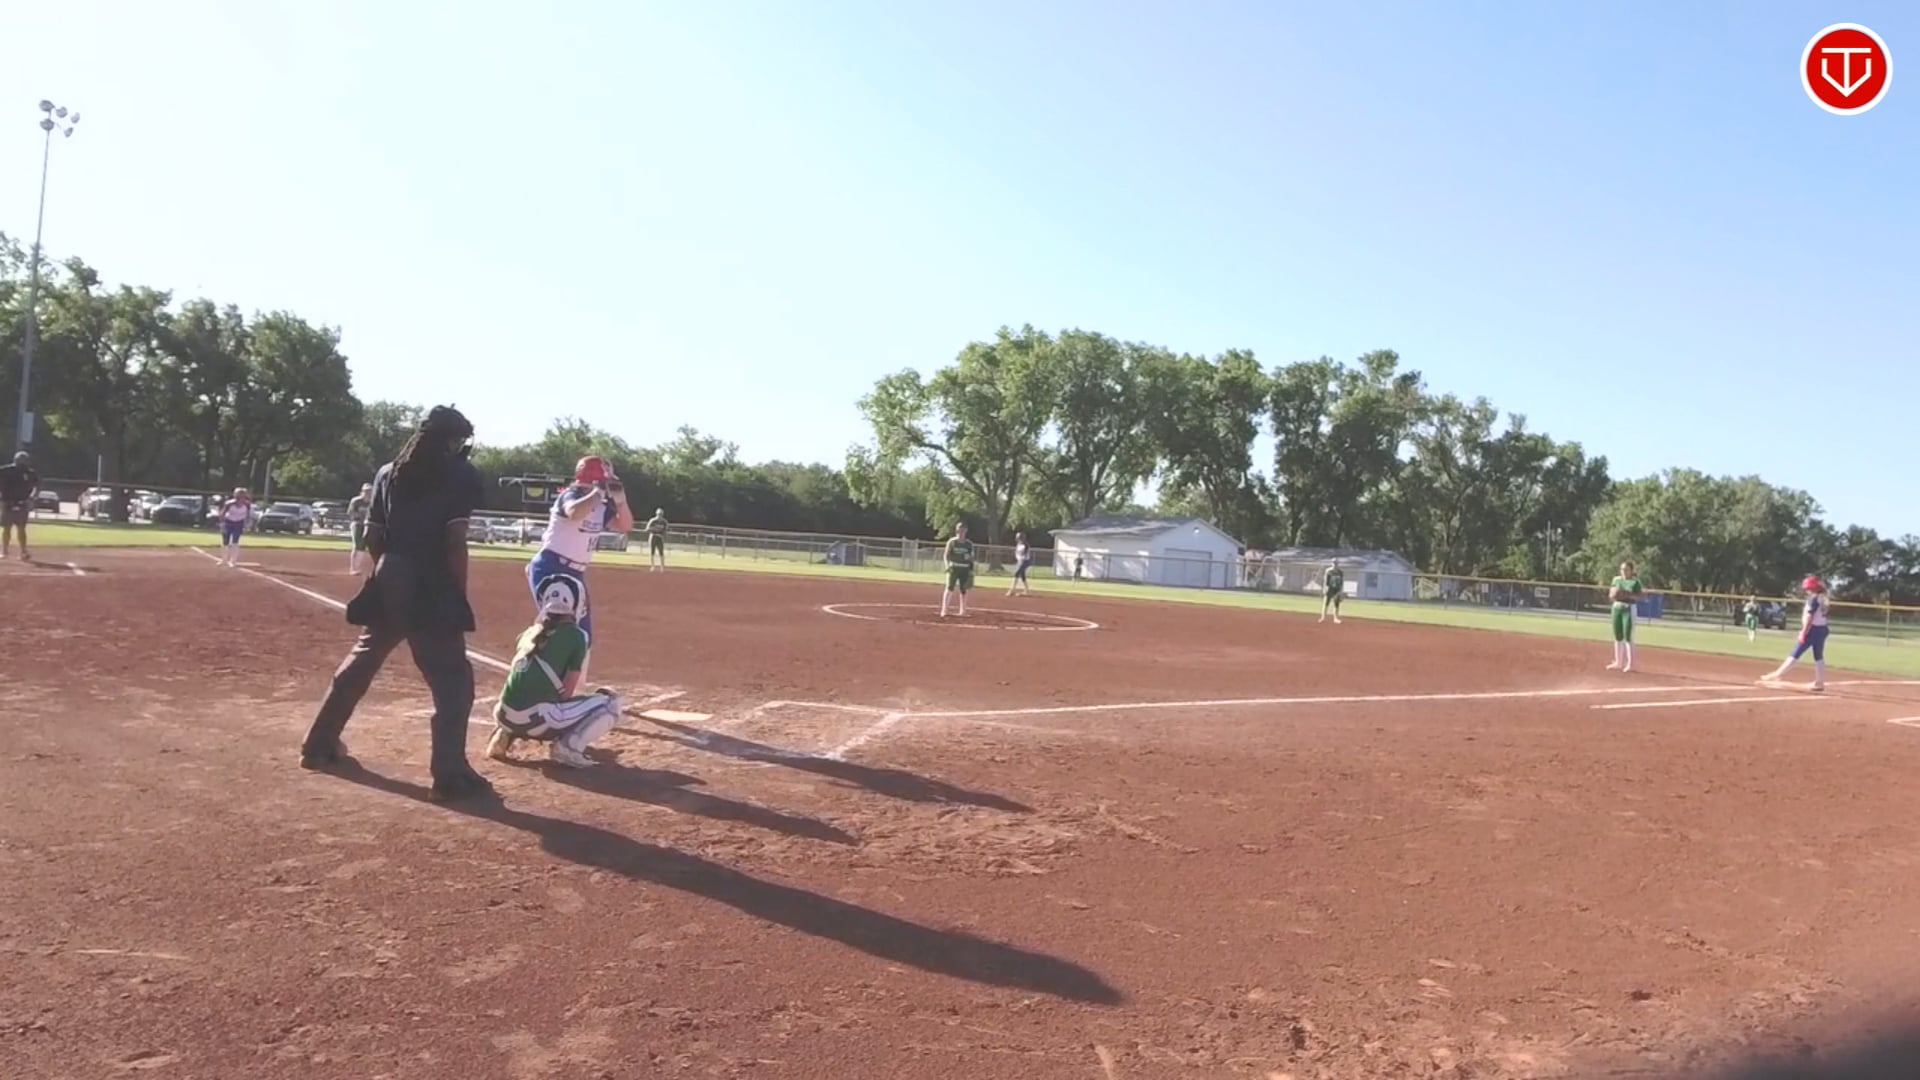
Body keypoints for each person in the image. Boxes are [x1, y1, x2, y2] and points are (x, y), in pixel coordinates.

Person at [298, 405, 493, 801]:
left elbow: (373, 535)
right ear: (454, 441)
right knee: (453, 680)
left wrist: (389, 572)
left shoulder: (389, 472)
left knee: (362, 660)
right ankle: (450, 774)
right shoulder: (460, 474)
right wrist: (455, 592)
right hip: (434, 578)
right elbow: (455, 541)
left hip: (392, 571)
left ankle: (318, 744)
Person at [486, 575, 623, 768]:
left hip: (503, 715)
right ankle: (568, 748)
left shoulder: (529, 632)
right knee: (611, 703)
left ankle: (504, 735)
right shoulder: (577, 636)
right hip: (540, 721)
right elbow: (566, 693)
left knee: (522, 693)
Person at [526, 455, 635, 683]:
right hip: (552, 567)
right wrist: (598, 492)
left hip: (575, 573)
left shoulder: (601, 505)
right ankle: (535, 679)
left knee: (582, 635)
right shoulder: (571, 494)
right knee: (559, 630)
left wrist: (621, 502)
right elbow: (574, 512)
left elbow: (625, 525)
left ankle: (570, 688)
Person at [1761, 575, 1830, 692]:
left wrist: (1804, 632)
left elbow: (1810, 617)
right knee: (1818, 656)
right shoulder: (1823, 598)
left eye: (1808, 588)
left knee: (1795, 653)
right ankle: (1819, 682)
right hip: (1822, 628)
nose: (1807, 590)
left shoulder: (1814, 599)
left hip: (1813, 629)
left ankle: (1777, 674)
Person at [1606, 560, 1647, 673]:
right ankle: (1618, 662)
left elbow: (1641, 597)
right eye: (1622, 569)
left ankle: (1630, 664)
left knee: (1628, 636)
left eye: (1626, 569)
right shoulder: (1616, 579)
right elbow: (1611, 594)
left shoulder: (1635, 582)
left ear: (1631, 571)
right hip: (1617, 607)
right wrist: (1615, 594)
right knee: (1617, 635)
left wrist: (1628, 595)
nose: (1623, 571)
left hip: (1628, 608)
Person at [1, 450, 39, 560]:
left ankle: (23, 551)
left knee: (21, 528)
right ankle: (4, 551)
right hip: (7, 502)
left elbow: (37, 486)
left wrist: (32, 498)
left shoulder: (30, 473)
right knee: (7, 527)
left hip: (23, 503)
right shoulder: (5, 470)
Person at [940, 522, 974, 618]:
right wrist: (947, 566)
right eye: (959, 530)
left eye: (963, 530)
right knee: (949, 588)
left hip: (965, 568)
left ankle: (963, 611)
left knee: (964, 590)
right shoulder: (952, 542)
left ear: (966, 531)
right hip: (954, 567)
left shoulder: (969, 544)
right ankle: (944, 610)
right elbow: (946, 555)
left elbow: (972, 558)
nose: (961, 532)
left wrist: (971, 569)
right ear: (957, 530)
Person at [218, 487, 253, 567]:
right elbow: (222, 514)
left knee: (235, 541)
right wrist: (222, 524)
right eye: (239, 496)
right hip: (228, 522)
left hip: (239, 523)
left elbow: (248, 515)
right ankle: (224, 560)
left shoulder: (247, 505)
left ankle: (233, 561)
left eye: (242, 496)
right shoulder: (229, 504)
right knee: (225, 541)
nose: (241, 498)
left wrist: (247, 525)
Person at [347, 481, 374, 576]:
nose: (368, 493)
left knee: (363, 546)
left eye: (370, 491)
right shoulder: (356, 501)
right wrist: (362, 517)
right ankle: (353, 568)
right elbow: (351, 513)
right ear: (362, 491)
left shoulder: (372, 502)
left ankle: (357, 567)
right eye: (366, 491)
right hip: (357, 524)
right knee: (357, 544)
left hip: (367, 525)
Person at [1319, 560, 1346, 625]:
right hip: (1329, 588)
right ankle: (1323, 617)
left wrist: (1341, 591)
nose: (1335, 564)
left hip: (1337, 589)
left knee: (1336, 604)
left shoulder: (1340, 572)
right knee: (1326, 603)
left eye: (1336, 563)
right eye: (1334, 563)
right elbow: (1325, 581)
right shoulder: (1328, 571)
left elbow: (1341, 582)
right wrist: (1324, 588)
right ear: (1331, 563)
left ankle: (1335, 618)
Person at [1006, 531, 1032, 597]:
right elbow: (1017, 553)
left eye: (1019, 538)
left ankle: (1012, 590)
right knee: (1022, 575)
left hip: (1025, 561)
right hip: (1020, 561)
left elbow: (1024, 553)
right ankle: (1026, 591)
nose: (1017, 539)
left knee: (1016, 573)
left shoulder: (1025, 545)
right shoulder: (1018, 544)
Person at [644, 507, 668, 572]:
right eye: (658, 514)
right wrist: (652, 529)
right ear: (656, 514)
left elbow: (665, 530)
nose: (659, 516)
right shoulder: (653, 520)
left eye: (661, 514)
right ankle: (652, 566)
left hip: (660, 537)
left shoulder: (664, 522)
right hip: (653, 536)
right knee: (652, 552)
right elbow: (647, 529)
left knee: (661, 552)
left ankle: (662, 566)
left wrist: (662, 534)